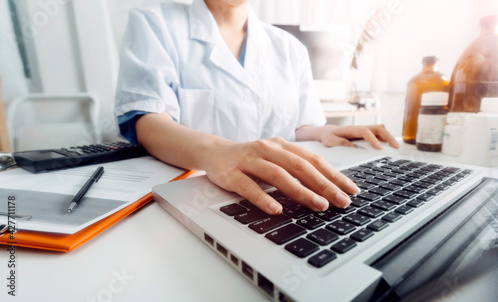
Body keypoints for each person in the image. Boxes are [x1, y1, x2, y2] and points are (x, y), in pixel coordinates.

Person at [115, 0, 399, 216]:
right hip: (193, 198)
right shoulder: (155, 23)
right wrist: (217, 154)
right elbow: (147, 120)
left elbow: (299, 127)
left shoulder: (290, 48)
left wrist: (325, 133)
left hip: (280, 193)